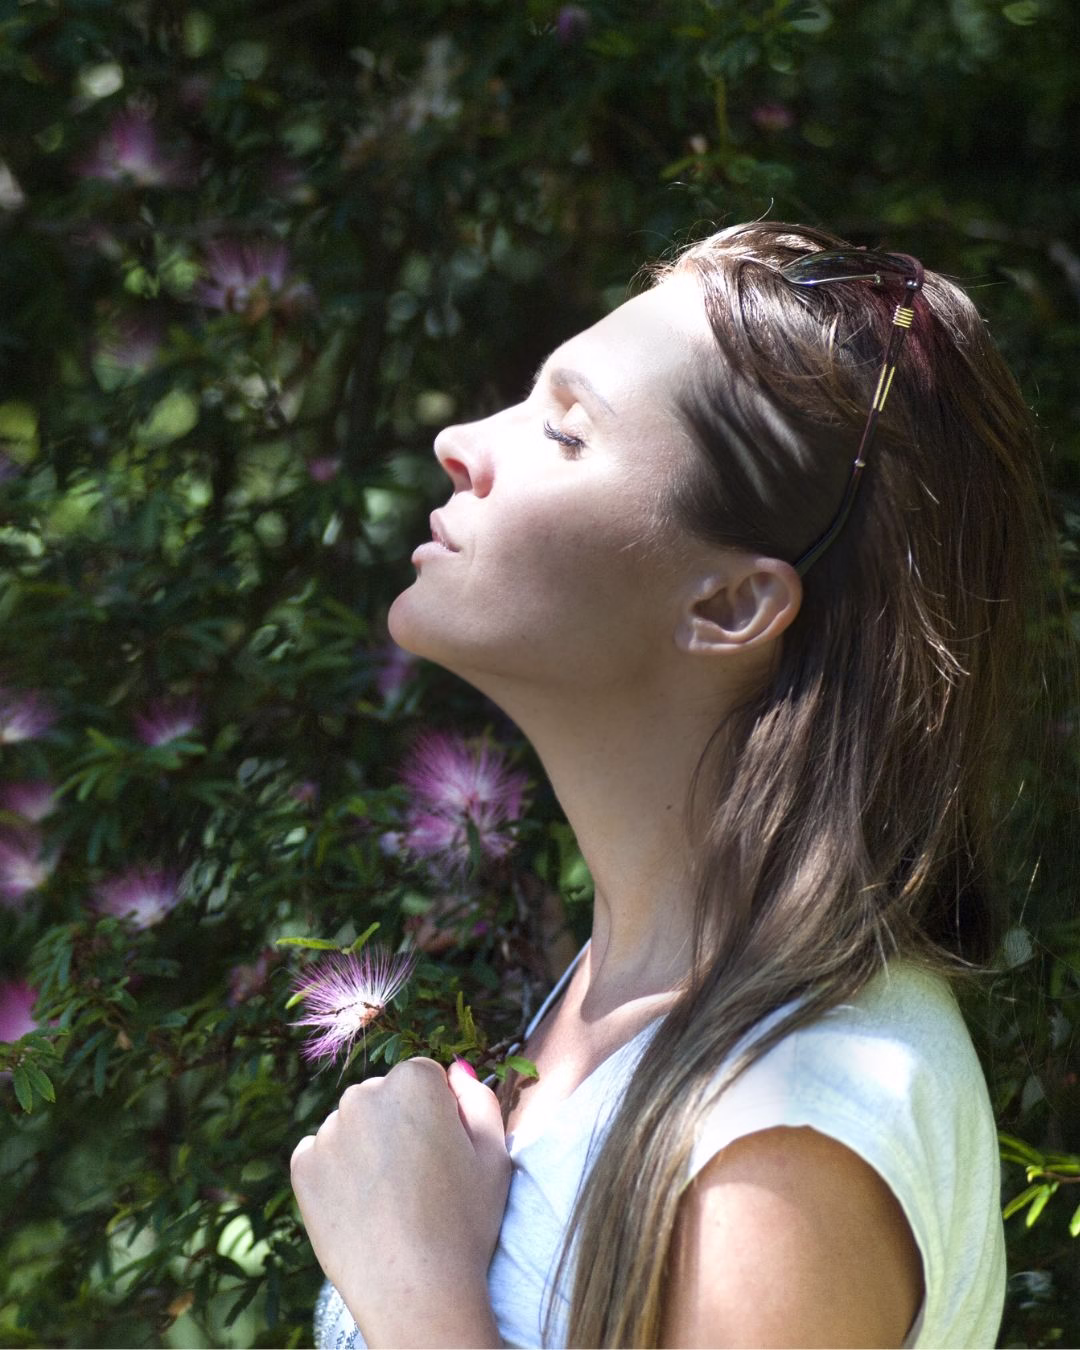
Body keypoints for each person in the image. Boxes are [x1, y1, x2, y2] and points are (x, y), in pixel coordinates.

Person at [290, 220, 1052, 1348]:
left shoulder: (792, 1129)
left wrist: (411, 1288)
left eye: (565, 431)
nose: (458, 440)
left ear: (731, 608)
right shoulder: (630, 1002)